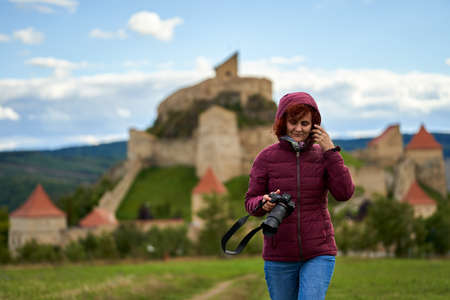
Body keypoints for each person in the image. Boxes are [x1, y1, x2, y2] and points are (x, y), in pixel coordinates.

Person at [245, 92, 354, 300]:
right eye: (293, 122)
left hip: (318, 252)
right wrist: (263, 202)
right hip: (279, 255)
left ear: (314, 126)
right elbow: (250, 201)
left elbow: (345, 193)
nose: (298, 128)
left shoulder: (324, 156)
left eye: (305, 123)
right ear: (283, 122)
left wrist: (331, 151)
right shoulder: (266, 158)